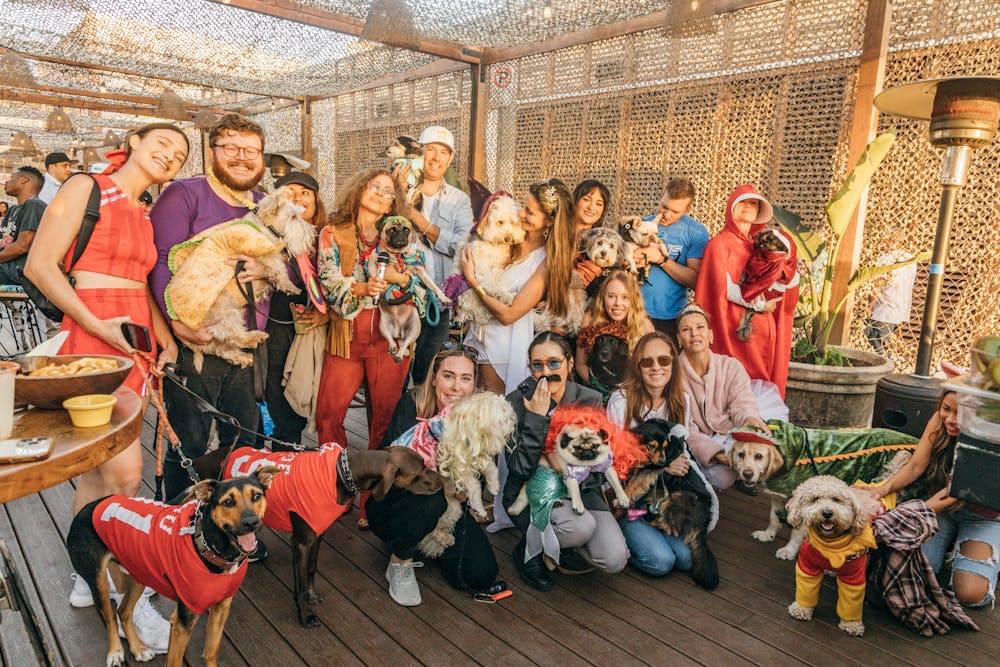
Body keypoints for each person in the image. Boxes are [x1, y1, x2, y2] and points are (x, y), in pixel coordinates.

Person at [24, 123, 189, 652]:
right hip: (95, 342)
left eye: (180, 153)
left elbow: (139, 283)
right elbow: (39, 265)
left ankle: (84, 570)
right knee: (126, 474)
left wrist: (164, 339)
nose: (171, 155)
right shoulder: (85, 186)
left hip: (135, 345)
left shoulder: (143, 210)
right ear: (133, 143)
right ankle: (129, 600)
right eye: (161, 143)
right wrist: (97, 327)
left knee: (98, 471)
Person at [149, 114, 269, 502]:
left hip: (245, 345)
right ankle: (177, 524)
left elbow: (287, 262)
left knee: (246, 440)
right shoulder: (184, 194)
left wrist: (266, 267)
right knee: (191, 442)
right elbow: (160, 259)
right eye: (231, 147)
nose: (242, 157)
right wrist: (177, 323)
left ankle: (231, 527)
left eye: (251, 150)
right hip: (195, 342)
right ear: (212, 151)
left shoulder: (265, 205)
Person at [314, 168, 410, 528]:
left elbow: (412, 278)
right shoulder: (332, 233)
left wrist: (403, 281)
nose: (382, 194)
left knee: (383, 421)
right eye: (375, 187)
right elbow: (329, 280)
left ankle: (373, 503)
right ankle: (336, 490)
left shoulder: (398, 235)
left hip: (390, 338)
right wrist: (358, 288)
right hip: (347, 335)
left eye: (388, 192)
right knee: (329, 414)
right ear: (359, 189)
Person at [367, 345, 498, 605]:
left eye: (465, 378)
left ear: (474, 384)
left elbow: (471, 487)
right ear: (434, 377)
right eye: (448, 376)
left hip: (449, 510)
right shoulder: (412, 404)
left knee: (482, 574)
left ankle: (423, 543)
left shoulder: (478, 420)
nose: (456, 387)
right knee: (431, 496)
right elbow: (391, 470)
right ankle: (400, 561)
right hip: (398, 505)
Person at [502, 332, 628, 591]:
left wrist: (568, 470)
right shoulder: (515, 402)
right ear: (530, 368)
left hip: (582, 489)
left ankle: (560, 541)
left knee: (615, 558)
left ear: (570, 363)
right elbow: (520, 469)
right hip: (533, 492)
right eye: (537, 365)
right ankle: (530, 549)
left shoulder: (589, 398)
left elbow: (598, 462)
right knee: (580, 527)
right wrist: (536, 418)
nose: (546, 372)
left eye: (554, 363)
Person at [870, 390, 1000, 608]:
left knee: (970, 594)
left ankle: (981, 550)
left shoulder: (991, 439)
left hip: (982, 516)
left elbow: (952, 495)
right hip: (941, 509)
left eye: (961, 414)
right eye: (946, 409)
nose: (950, 419)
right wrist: (884, 489)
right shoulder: (941, 422)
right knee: (911, 573)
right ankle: (949, 545)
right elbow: (916, 466)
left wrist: (913, 514)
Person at [605, 331, 716, 576]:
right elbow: (611, 462)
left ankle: (653, 528)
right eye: (647, 362)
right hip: (628, 494)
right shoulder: (621, 401)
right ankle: (622, 540)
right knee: (661, 562)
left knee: (687, 559)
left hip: (664, 494)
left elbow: (681, 453)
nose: (656, 367)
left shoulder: (681, 400)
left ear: (673, 364)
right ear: (638, 366)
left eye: (663, 360)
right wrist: (662, 467)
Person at [459, 179, 576, 394]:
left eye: (529, 212)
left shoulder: (545, 263)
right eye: (523, 206)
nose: (521, 213)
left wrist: (473, 282)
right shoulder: (509, 238)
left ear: (549, 221)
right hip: (476, 339)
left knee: (491, 415)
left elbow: (509, 315)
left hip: (501, 349)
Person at [695, 184, 798, 397]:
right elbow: (722, 289)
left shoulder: (761, 246)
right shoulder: (719, 245)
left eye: (753, 204)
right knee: (734, 384)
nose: (748, 207)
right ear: (731, 208)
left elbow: (776, 281)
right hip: (731, 329)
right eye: (743, 202)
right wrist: (759, 304)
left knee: (760, 386)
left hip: (761, 330)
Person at [391, 126, 474, 387]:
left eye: (443, 153)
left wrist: (418, 220)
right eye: (430, 151)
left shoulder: (459, 200)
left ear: (450, 160)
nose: (436, 158)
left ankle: (419, 426)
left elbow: (462, 246)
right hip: (400, 300)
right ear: (418, 154)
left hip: (437, 304)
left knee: (426, 377)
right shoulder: (397, 191)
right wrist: (397, 193)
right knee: (395, 373)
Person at [259, 171, 328, 448]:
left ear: (316, 200)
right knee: (275, 401)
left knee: (297, 398)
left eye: (305, 193)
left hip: (309, 331)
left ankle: (290, 461)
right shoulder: (263, 234)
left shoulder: (326, 237)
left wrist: (326, 314)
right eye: (289, 193)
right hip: (272, 326)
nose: (298, 198)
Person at [673, 304, 770, 492]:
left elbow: (742, 402)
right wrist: (716, 455)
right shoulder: (674, 376)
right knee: (723, 479)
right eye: (686, 330)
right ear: (679, 339)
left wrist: (750, 421)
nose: (694, 334)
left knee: (763, 446)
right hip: (700, 438)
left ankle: (743, 475)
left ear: (711, 335)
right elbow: (687, 428)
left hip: (732, 430)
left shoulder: (731, 366)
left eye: (700, 327)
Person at [636, 177, 709, 339]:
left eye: (675, 211)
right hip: (636, 313)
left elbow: (696, 281)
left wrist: (661, 260)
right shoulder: (643, 225)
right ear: (661, 195)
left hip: (671, 318)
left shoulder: (696, 232)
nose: (666, 215)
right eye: (664, 206)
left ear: (688, 209)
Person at [575, 270, 654, 401]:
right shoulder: (591, 319)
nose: (617, 303)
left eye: (625, 297)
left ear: (633, 299)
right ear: (603, 297)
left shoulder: (643, 325)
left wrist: (624, 394)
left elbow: (651, 367)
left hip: (632, 394)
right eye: (611, 296)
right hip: (596, 393)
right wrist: (603, 392)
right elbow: (580, 365)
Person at [865, 232, 917, 357]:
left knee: (873, 338)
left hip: (883, 309)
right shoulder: (910, 259)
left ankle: (886, 366)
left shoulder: (886, 258)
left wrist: (869, 305)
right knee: (882, 342)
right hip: (899, 311)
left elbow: (878, 283)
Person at [0, 166, 46, 286]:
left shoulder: (34, 205)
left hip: (19, 272)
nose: (7, 181)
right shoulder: (13, 210)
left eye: (11, 177)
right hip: (6, 269)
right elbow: (3, 242)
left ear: (24, 179)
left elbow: (22, 246)